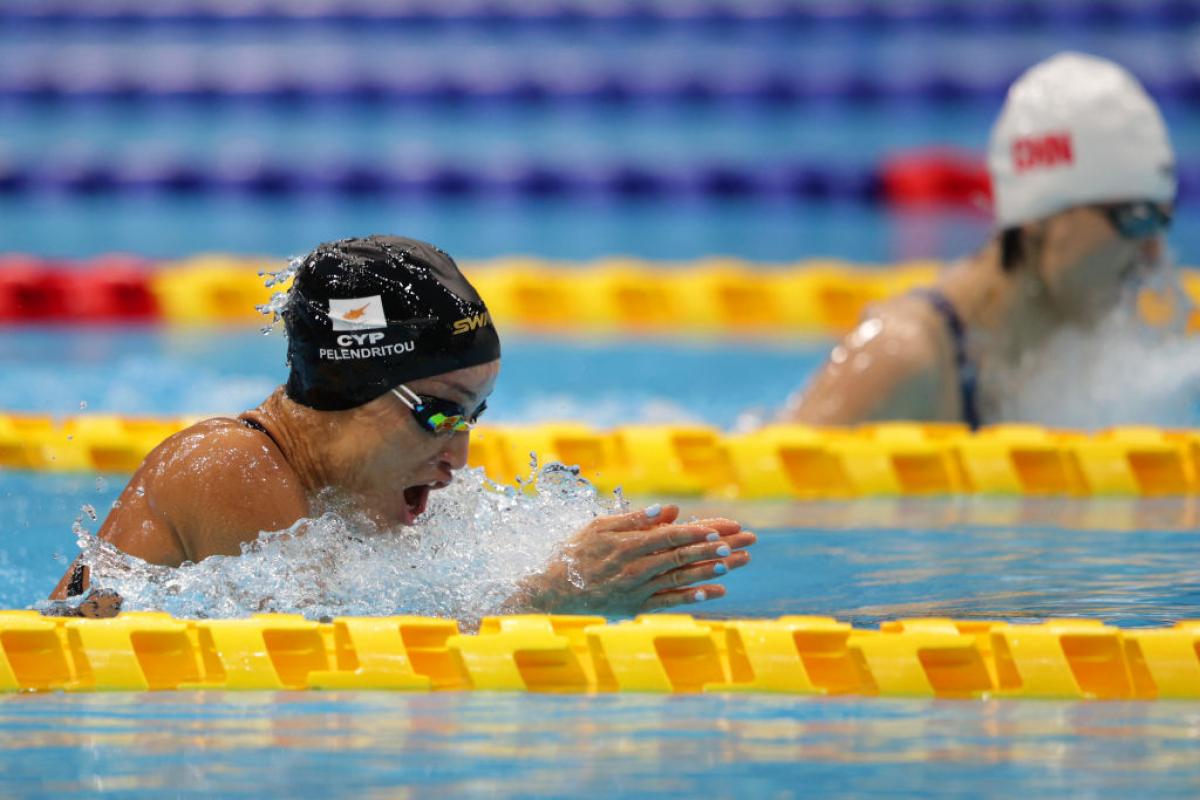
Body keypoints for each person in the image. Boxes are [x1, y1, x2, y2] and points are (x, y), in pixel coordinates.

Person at [51, 235, 754, 616]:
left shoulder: (334, 498)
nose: (460, 455)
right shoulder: (233, 465)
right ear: (351, 385)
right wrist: (552, 599)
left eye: (475, 416)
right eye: (442, 414)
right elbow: (330, 672)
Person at [783, 52, 1176, 427]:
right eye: (1135, 218)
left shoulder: (1068, 350)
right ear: (1041, 215)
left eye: (1161, 222)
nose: (1153, 254)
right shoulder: (902, 357)